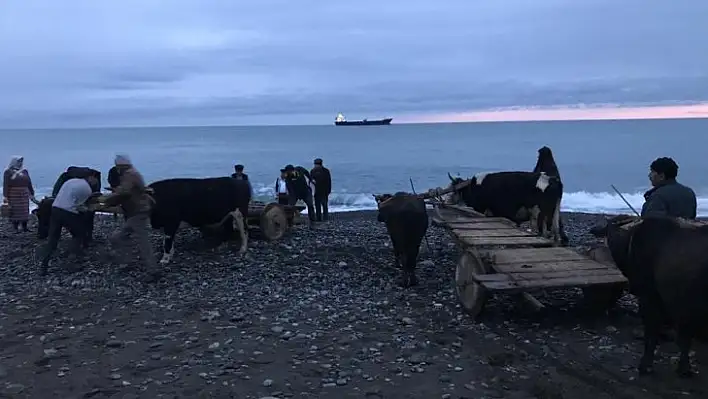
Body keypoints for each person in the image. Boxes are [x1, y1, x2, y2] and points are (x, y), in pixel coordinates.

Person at [104, 154, 161, 282]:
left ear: (120, 166)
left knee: (143, 244)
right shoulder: (131, 173)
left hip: (138, 212)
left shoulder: (129, 175)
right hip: (136, 212)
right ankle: (128, 261)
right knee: (118, 238)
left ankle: (153, 271)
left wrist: (107, 200)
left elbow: (124, 192)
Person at [38, 175, 97, 275]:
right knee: (78, 234)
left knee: (53, 239)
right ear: (91, 179)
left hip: (55, 208)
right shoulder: (87, 190)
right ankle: (72, 262)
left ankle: (44, 266)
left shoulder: (71, 181)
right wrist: (89, 209)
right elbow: (79, 206)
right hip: (67, 212)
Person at [3, 156, 36, 232]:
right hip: (13, 194)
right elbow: (6, 184)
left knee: (24, 210)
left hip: (24, 193)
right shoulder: (8, 172)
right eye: (18, 161)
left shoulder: (24, 171)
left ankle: (25, 227)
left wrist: (32, 192)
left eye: (21, 162)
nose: (20, 163)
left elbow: (29, 183)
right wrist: (5, 196)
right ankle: (15, 227)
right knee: (15, 211)